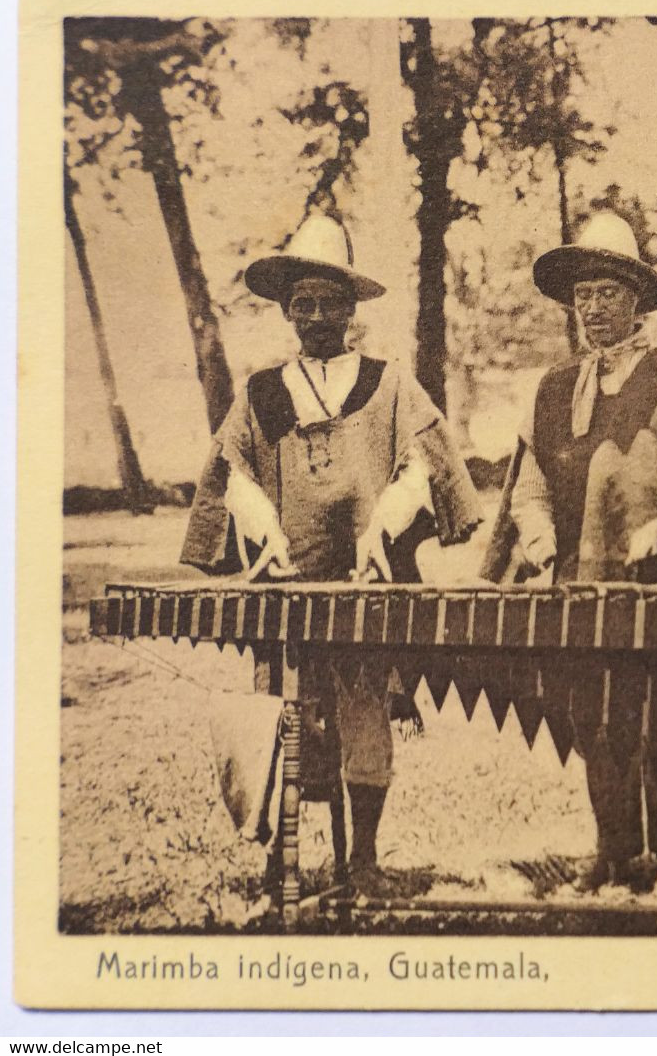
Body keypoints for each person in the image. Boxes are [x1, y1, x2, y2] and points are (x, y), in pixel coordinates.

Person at [181, 213, 483, 897]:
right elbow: (231, 471)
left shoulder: (388, 382)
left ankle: (365, 859)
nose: (316, 316)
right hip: (288, 587)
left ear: (352, 310)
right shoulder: (262, 391)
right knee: (286, 716)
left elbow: (422, 464)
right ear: (287, 309)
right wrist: (262, 528)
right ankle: (279, 853)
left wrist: (386, 525)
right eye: (303, 303)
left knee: (363, 713)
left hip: (363, 589)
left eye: (329, 303)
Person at [480, 211, 657, 896]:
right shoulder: (554, 387)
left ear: (636, 300)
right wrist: (535, 531)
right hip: (580, 586)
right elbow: (527, 484)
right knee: (596, 721)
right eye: (584, 294)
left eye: (609, 293)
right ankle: (614, 850)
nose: (595, 308)